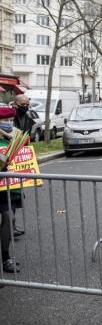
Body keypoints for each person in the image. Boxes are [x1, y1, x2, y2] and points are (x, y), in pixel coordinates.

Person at [0, 107, 23, 273]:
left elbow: (26, 161)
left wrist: (33, 178)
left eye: (10, 121)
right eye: (4, 121)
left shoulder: (17, 139)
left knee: (10, 218)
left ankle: (5, 258)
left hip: (8, 187)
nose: (8, 124)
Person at [10, 95, 33, 238]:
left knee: (15, 194)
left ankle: (11, 225)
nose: (25, 106)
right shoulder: (10, 118)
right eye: (22, 104)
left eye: (27, 104)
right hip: (9, 159)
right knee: (9, 194)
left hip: (19, 161)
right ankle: (9, 224)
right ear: (15, 104)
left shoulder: (27, 119)